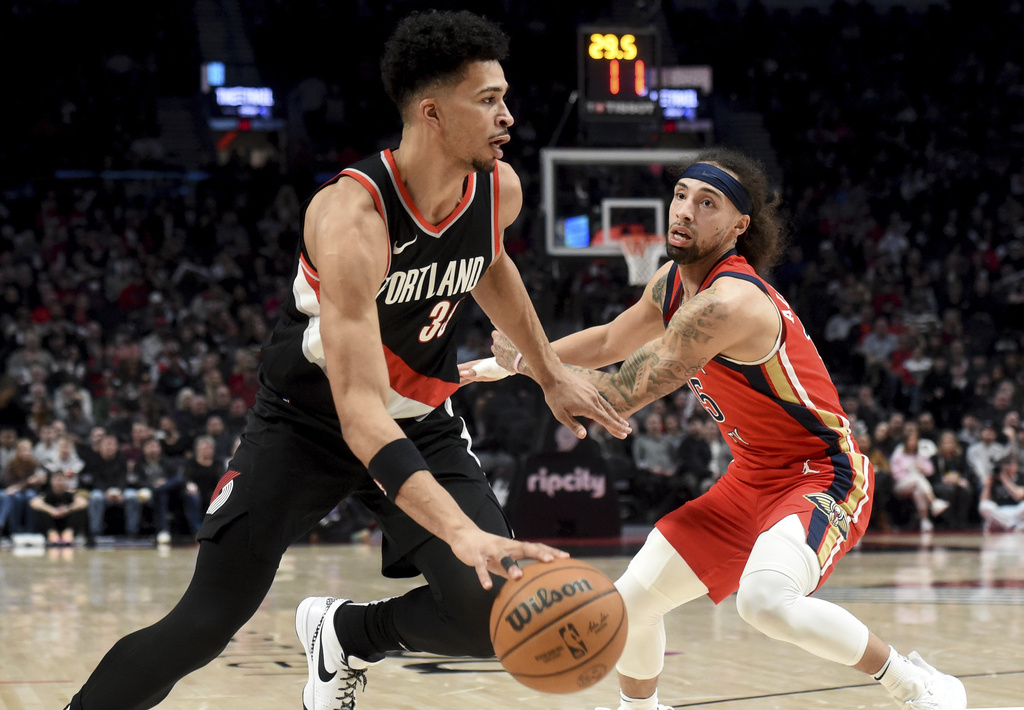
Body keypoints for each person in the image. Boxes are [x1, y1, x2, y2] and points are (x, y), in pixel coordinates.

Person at [61, 10, 629, 710]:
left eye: (504, 97)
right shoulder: (352, 219)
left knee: (495, 616)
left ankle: (345, 635)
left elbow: (489, 262)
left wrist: (550, 371)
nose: (508, 116)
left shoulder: (496, 190)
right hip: (312, 422)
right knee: (204, 625)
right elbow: (360, 418)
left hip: (419, 419)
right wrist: (462, 532)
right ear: (432, 113)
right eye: (488, 101)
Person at [473, 147, 965, 709]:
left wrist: (522, 362)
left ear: (739, 226)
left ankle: (915, 685)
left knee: (764, 600)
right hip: (751, 477)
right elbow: (611, 340)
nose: (684, 210)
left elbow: (615, 394)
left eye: (706, 203)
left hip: (823, 475)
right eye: (680, 195)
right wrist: (503, 364)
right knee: (629, 605)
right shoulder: (670, 282)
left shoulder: (731, 302)